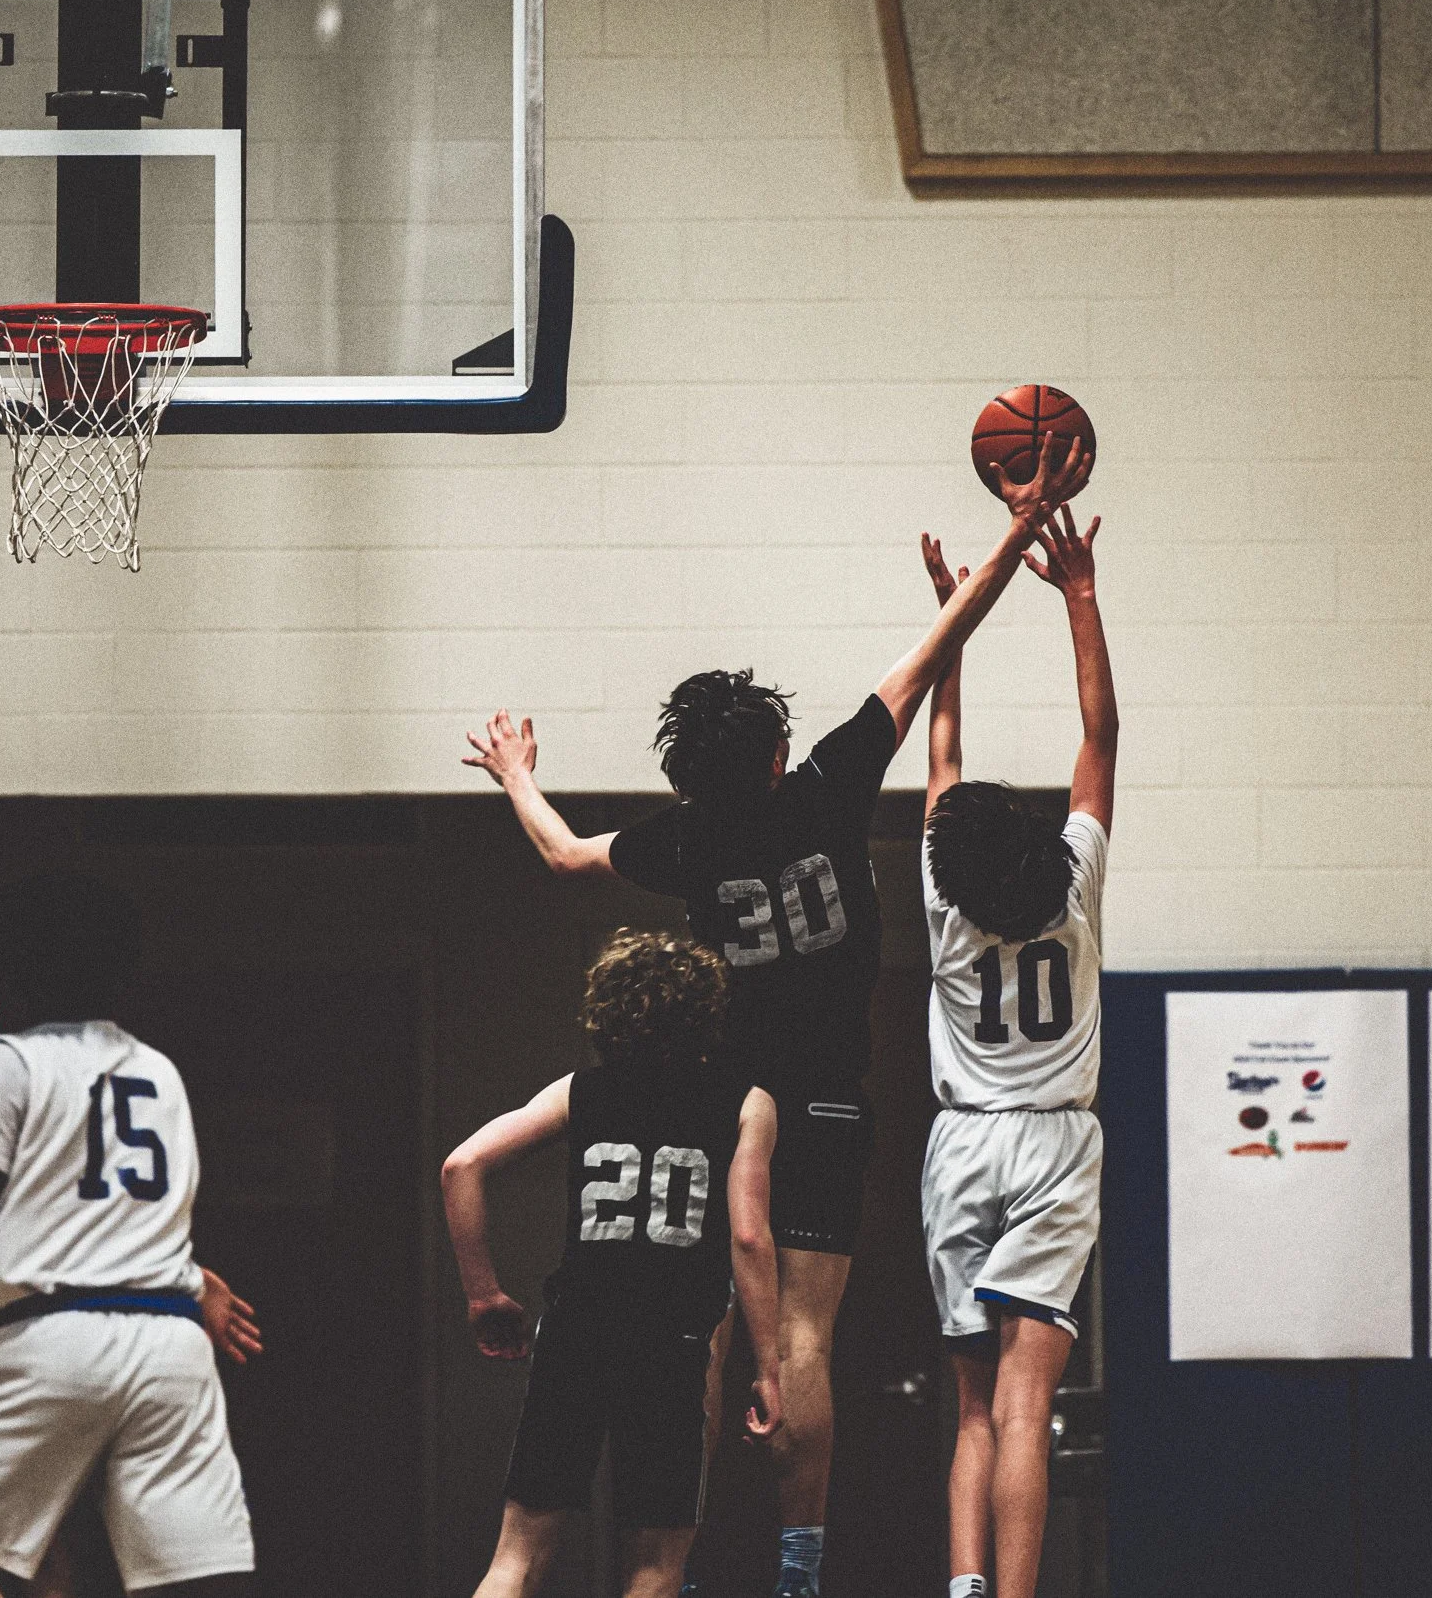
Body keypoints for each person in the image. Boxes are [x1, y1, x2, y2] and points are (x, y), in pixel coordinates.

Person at [463, 440, 1089, 1598]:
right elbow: (947, 639)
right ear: (776, 752)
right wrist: (1018, 522)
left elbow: (558, 852)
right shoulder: (825, 783)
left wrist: (515, 769)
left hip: (733, 1096)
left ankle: (676, 1555)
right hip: (833, 1092)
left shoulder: (683, 838)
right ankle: (800, 1567)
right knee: (803, 1336)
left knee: (701, 1333)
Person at [0, 870, 257, 1598]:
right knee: (196, 1582)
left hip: (51, 1339)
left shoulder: (10, 1063)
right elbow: (135, 1224)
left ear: (19, 968)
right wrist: (194, 1285)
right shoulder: (158, 1070)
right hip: (170, 1348)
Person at [441, 931, 785, 1598]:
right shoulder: (748, 1101)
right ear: (707, 1010)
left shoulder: (581, 1089)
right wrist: (768, 1364)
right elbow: (748, 1235)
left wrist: (483, 1292)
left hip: (577, 1332)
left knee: (516, 1558)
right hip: (672, 1343)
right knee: (656, 1567)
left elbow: (462, 1164)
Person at [916, 507, 1113, 1598]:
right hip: (1053, 1145)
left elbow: (941, 754)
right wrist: (1078, 593)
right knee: (1029, 1403)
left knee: (974, 1408)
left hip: (960, 1146)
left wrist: (953, 618)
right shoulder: (1075, 885)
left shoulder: (944, 902)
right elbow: (1100, 739)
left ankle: (963, 1585)